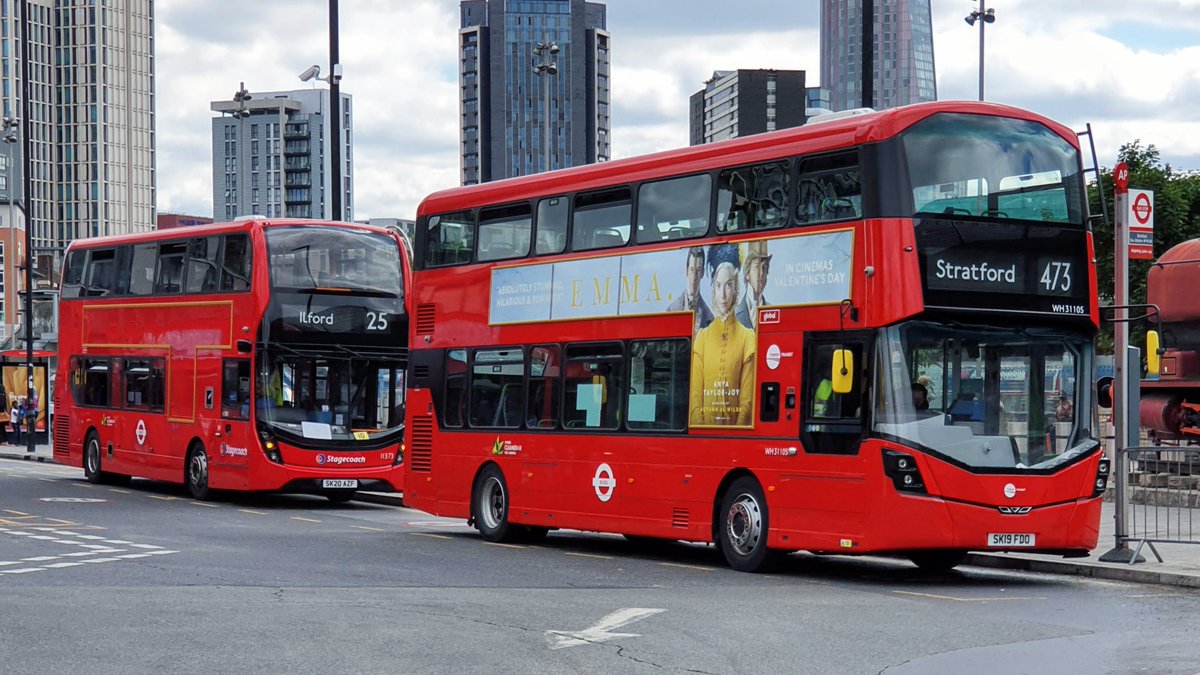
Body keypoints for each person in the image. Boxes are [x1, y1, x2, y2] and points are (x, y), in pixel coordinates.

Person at [690, 244, 756, 426]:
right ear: (713, 288)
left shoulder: (747, 338)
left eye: (729, 285)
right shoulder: (702, 338)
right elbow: (695, 400)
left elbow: (747, 403)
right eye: (718, 286)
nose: (723, 295)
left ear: (735, 288)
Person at [666, 247, 713, 332]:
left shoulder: (710, 319)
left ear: (702, 273)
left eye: (698, 271)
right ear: (686, 270)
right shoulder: (671, 311)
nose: (694, 277)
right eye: (692, 270)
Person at [735, 240, 772, 329]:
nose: (761, 273)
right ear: (747, 273)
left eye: (764, 268)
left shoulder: (772, 310)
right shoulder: (734, 314)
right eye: (757, 267)